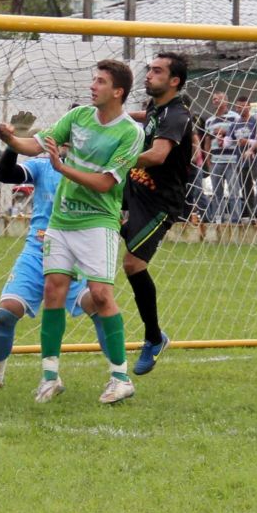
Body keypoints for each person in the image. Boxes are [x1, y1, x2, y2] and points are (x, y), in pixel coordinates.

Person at [0, 60, 144, 405]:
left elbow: (107, 182)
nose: (93, 86)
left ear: (118, 91)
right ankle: (50, 376)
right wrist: (11, 140)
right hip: (61, 221)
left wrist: (63, 168)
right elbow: (38, 146)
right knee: (53, 291)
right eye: (93, 80)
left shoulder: (130, 133)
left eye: (101, 81)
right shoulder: (77, 118)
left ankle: (120, 377)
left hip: (97, 222)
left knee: (101, 296)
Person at [0, 136, 90, 395]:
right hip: (37, 251)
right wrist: (13, 143)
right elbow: (6, 174)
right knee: (6, 312)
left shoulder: (92, 167)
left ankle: (119, 376)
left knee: (99, 304)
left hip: (75, 252)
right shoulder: (42, 163)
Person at [110, 53, 193, 377]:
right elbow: (145, 117)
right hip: (132, 191)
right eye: (149, 69)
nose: (149, 74)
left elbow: (158, 155)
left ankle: (153, 338)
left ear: (174, 81)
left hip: (160, 203)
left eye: (158, 71)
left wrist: (114, 158)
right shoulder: (158, 109)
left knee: (132, 264)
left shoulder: (177, 114)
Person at [201, 91, 238, 223]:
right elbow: (207, 141)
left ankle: (235, 220)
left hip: (231, 160)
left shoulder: (235, 117)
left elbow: (238, 135)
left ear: (226, 101)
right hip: (215, 161)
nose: (215, 101)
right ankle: (218, 219)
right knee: (217, 193)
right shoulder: (210, 121)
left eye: (218, 98)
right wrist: (208, 160)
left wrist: (225, 132)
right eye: (214, 99)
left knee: (233, 192)